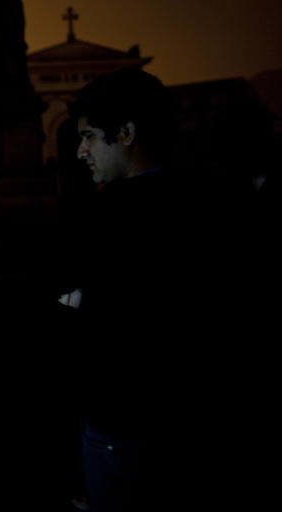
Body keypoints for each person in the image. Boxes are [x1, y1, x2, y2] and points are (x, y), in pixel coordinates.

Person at [62, 68, 235, 511]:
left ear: (127, 133)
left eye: (90, 136)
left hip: (120, 427)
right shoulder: (214, 200)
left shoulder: (108, 216)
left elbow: (86, 320)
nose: (81, 151)